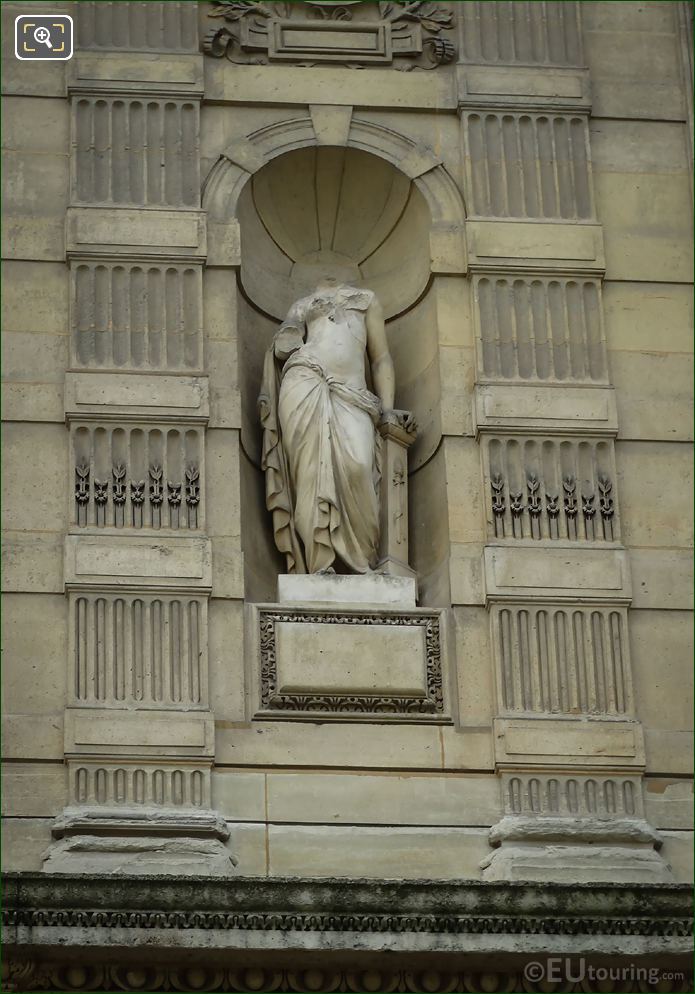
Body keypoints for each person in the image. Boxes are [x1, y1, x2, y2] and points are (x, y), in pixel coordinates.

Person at [259, 274, 413, 574]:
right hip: (305, 384)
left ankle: (363, 561)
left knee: (358, 465)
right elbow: (282, 347)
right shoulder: (302, 306)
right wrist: (287, 338)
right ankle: (318, 561)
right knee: (310, 472)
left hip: (353, 396)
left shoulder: (366, 300)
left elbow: (380, 358)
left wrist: (388, 411)